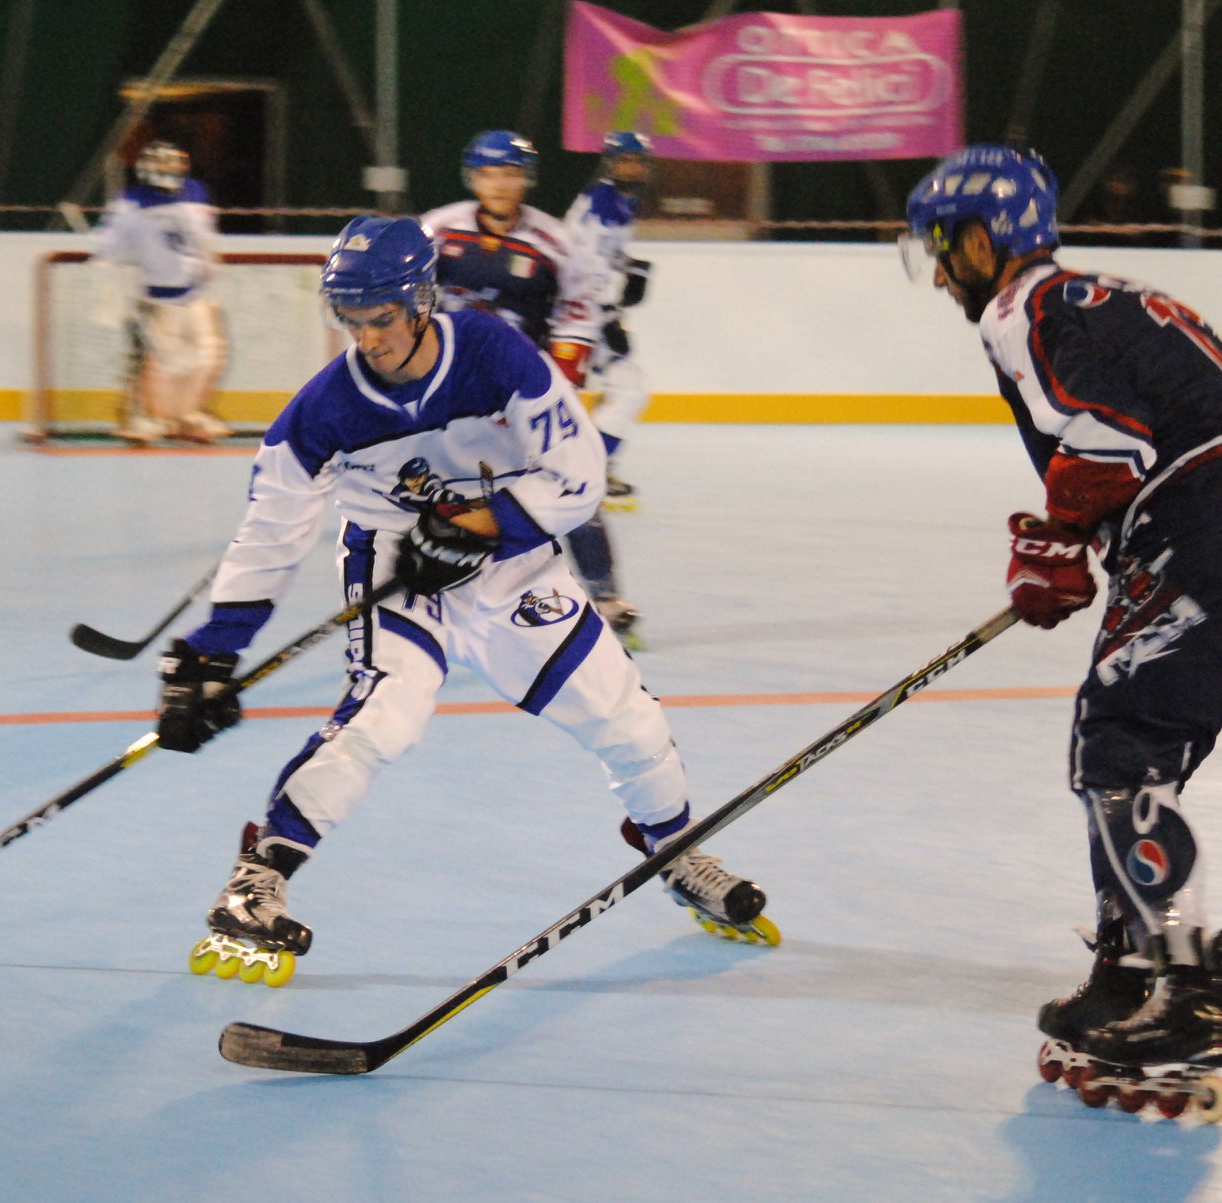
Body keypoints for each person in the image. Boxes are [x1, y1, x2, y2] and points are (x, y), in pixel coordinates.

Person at [158, 214, 776, 986]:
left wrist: (484, 525)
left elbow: (579, 474)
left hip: (509, 563)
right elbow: (270, 533)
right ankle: (259, 880)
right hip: (397, 566)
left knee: (627, 719)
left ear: (420, 302)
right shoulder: (319, 413)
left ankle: (678, 850)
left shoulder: (491, 353)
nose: (367, 338)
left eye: (380, 318)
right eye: (350, 320)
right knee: (385, 713)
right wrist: (213, 648)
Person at [902, 146, 1222, 1094]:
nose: (939, 271)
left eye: (944, 248)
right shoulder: (1104, 297)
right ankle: (1129, 967)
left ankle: (1185, 991)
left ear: (985, 241)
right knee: (1146, 752)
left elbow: (1111, 438)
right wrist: (1072, 539)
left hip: (1212, 519)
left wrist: (1057, 538)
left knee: (1120, 743)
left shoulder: (1026, 308)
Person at [419, 131, 643, 650]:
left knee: (573, 484)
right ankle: (438, 599)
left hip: (526, 389)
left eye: (511, 173)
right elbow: (414, 304)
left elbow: (577, 313)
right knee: (437, 490)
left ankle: (605, 598)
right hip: (453, 388)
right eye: (490, 173)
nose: (501, 184)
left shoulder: (557, 241)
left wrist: (552, 386)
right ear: (474, 178)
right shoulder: (436, 229)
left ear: (526, 179)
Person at [90, 140, 231, 444]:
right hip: (152, 293)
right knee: (155, 359)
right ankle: (143, 415)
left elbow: (203, 237)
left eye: (172, 165)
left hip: (192, 291)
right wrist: (122, 285)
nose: (168, 172)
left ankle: (187, 413)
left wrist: (207, 261)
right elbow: (110, 250)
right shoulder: (129, 202)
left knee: (207, 353)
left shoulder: (195, 192)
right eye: (162, 166)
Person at [564, 130, 657, 507]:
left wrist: (632, 266)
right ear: (610, 163)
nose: (631, 168)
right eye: (625, 161)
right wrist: (605, 316)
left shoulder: (621, 202)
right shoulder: (599, 204)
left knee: (622, 388)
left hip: (589, 312)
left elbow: (606, 255)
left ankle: (588, 468)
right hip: (579, 314)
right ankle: (588, 471)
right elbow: (577, 264)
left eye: (638, 162)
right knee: (628, 388)